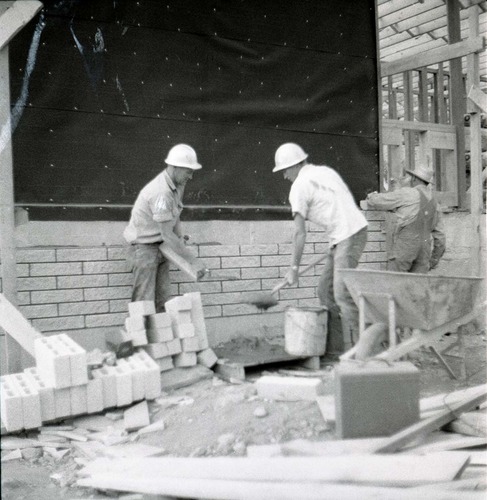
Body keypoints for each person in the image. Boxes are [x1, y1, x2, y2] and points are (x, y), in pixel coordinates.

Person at [273, 143, 368, 354]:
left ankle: (371, 349)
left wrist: (294, 269)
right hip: (348, 234)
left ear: (296, 165)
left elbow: (299, 233)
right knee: (325, 291)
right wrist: (335, 245)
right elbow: (337, 207)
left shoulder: (298, 187)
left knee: (342, 294)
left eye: (285, 170)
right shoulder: (325, 171)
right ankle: (336, 351)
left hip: (348, 236)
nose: (284, 175)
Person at [124, 144, 206, 312]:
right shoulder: (161, 192)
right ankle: (139, 338)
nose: (190, 177)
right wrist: (194, 261)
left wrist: (180, 238)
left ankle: (161, 338)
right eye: (188, 171)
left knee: (162, 302)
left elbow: (174, 216)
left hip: (160, 247)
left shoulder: (177, 185)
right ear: (175, 167)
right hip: (144, 248)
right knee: (143, 304)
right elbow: (167, 234)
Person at [366, 164, 446, 273]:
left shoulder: (407, 193)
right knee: (417, 286)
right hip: (424, 250)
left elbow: (378, 201)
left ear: (413, 178)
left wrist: (371, 196)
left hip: (406, 246)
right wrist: (434, 259)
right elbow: (440, 236)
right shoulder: (434, 202)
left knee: (397, 282)